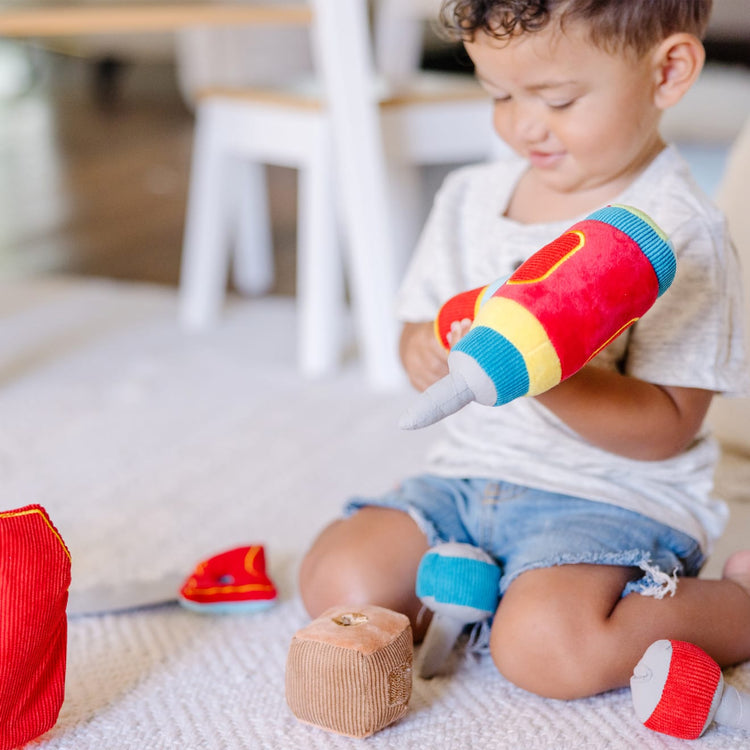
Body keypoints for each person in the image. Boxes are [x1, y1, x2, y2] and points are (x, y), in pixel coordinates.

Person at [299, 0, 750, 700]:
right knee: (340, 579)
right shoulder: (469, 198)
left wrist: (543, 369)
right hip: (469, 479)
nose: (522, 124)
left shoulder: (680, 236)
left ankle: (736, 608)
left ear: (668, 72)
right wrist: (421, 345)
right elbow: (420, 328)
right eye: (498, 94)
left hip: (609, 499)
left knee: (547, 650)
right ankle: (483, 589)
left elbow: (668, 427)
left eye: (558, 99)